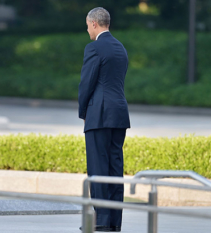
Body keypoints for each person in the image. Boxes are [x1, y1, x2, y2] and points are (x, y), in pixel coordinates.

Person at [78, 7, 131, 232]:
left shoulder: (94, 48)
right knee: (114, 169)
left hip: (98, 115)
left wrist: (83, 113)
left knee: (98, 168)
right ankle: (114, 222)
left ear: (94, 24)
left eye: (88, 25)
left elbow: (86, 84)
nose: (87, 29)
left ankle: (100, 221)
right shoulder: (121, 48)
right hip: (119, 115)